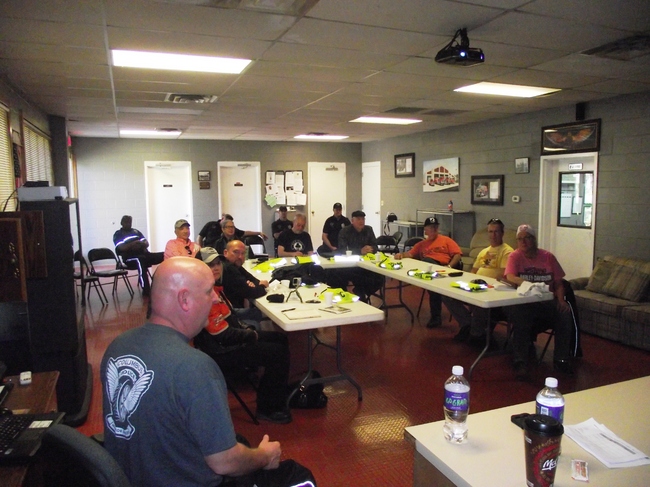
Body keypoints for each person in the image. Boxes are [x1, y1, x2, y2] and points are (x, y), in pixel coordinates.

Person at [100, 257, 316, 487]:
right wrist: (265, 455)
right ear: (184, 299)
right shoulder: (194, 367)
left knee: (239, 442)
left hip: (135, 477)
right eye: (208, 291)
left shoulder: (118, 346)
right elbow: (225, 463)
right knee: (299, 477)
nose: (215, 298)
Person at [194, 248, 292, 424]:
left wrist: (247, 330)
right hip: (221, 351)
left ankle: (274, 392)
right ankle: (268, 408)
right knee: (277, 353)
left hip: (230, 340)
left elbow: (230, 320)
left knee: (280, 338)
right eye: (210, 264)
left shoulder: (215, 289)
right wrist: (250, 334)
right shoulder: (204, 295)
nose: (216, 267)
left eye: (218, 263)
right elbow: (222, 335)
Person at [504, 224, 579, 380]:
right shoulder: (515, 256)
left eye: (527, 238)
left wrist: (561, 300)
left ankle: (561, 360)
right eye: (520, 239)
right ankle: (520, 361)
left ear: (534, 239)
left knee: (564, 314)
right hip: (525, 301)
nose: (523, 242)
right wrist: (526, 283)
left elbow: (559, 283)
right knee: (521, 315)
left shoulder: (548, 257)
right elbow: (510, 276)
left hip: (546, 301)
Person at [442, 218, 513, 343]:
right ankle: (467, 325)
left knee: (479, 303)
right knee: (447, 294)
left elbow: (504, 275)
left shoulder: (507, 252)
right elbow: (473, 272)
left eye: (496, 232)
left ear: (502, 233)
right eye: (490, 232)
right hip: (475, 287)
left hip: (491, 290)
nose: (493, 235)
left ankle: (476, 333)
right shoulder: (483, 252)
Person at [394, 217, 462, 328]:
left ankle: (436, 316)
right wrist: (400, 255)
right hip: (429, 270)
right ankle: (436, 316)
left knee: (427, 265)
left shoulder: (446, 240)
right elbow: (409, 254)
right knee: (428, 270)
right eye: (431, 227)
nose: (434, 229)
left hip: (443, 268)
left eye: (435, 227)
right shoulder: (421, 244)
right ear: (425, 230)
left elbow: (457, 255)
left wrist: (449, 266)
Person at [334, 210, 383, 302]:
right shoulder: (345, 231)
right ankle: (358, 293)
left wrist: (371, 248)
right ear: (352, 221)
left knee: (380, 277)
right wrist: (360, 251)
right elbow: (342, 249)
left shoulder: (369, 230)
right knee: (345, 275)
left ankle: (361, 291)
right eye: (358, 219)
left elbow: (375, 246)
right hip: (350, 265)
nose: (361, 221)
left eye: (363, 219)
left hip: (367, 263)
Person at [222, 240, 269, 329]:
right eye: (236, 252)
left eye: (243, 253)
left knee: (257, 313)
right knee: (256, 320)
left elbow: (253, 280)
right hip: (229, 314)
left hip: (232, 310)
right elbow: (252, 292)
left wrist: (252, 285)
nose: (240, 256)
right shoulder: (228, 269)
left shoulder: (235, 266)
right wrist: (262, 286)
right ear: (225, 253)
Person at [112, 215, 164, 296]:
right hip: (130, 258)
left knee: (165, 254)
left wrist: (140, 244)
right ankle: (146, 289)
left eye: (129, 222)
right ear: (121, 223)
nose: (128, 224)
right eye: (126, 222)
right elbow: (121, 248)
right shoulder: (118, 234)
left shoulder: (136, 232)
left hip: (145, 254)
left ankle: (164, 282)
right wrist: (134, 243)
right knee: (140, 260)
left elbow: (146, 243)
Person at [199, 214, 268, 249]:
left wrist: (259, 233)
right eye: (228, 227)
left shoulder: (232, 230)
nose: (231, 229)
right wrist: (200, 248)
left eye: (232, 226)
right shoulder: (210, 224)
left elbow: (244, 233)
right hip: (209, 249)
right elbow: (199, 237)